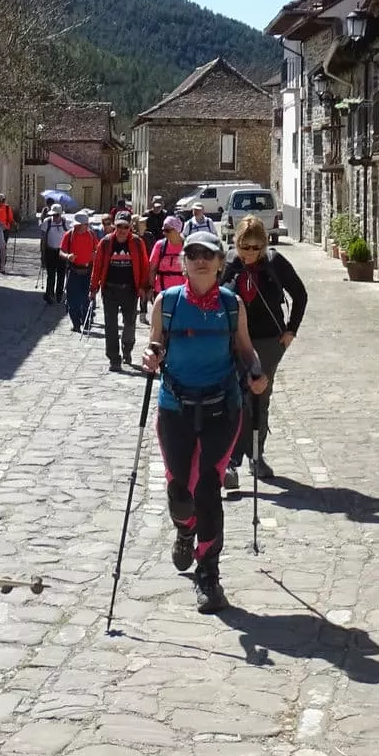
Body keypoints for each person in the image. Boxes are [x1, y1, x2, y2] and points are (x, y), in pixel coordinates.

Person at [141, 230, 265, 614]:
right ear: (183, 262)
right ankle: (184, 529)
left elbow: (245, 350)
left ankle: (208, 575)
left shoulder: (231, 305)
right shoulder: (168, 302)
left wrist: (257, 371)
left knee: (209, 487)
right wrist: (152, 355)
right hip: (175, 407)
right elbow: (155, 342)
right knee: (181, 491)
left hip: (221, 408)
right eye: (192, 253)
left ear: (219, 262)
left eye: (207, 254)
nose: (199, 260)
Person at [220, 215, 310, 485]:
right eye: (244, 246)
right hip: (236, 341)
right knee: (239, 399)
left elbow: (300, 294)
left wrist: (291, 331)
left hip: (270, 342)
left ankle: (256, 457)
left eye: (254, 247)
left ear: (263, 244)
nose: (249, 253)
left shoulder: (274, 262)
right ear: (236, 243)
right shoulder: (230, 264)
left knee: (260, 399)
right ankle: (233, 462)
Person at [93, 212, 153, 372]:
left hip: (130, 290)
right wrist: (93, 288)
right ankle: (114, 359)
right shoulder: (105, 243)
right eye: (119, 226)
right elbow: (97, 266)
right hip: (110, 290)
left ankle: (127, 349)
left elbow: (145, 266)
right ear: (115, 225)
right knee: (110, 326)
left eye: (126, 226)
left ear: (130, 227)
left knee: (130, 324)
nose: (122, 230)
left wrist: (144, 286)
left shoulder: (137, 243)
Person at [61, 210, 100, 332]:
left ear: (86, 225)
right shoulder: (69, 235)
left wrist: (95, 255)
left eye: (81, 225)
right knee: (72, 300)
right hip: (74, 271)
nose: (78, 227)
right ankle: (76, 323)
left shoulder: (92, 235)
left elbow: (98, 250)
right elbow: (61, 251)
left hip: (88, 271)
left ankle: (86, 321)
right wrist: (67, 256)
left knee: (86, 299)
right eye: (77, 225)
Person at [40, 205, 69, 304]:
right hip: (50, 251)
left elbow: (69, 238)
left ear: (60, 214)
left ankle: (59, 295)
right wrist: (42, 255)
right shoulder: (47, 222)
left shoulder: (66, 223)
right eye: (53, 215)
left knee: (61, 275)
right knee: (51, 275)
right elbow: (43, 240)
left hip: (62, 252)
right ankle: (49, 295)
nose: (55, 217)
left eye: (57, 215)